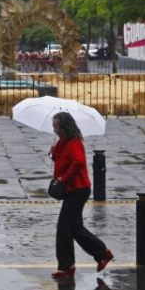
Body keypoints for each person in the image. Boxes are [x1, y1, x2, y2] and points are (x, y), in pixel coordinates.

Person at [49, 112, 113, 280]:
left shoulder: (74, 143)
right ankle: (101, 254)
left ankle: (67, 266)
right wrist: (53, 154)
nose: (54, 129)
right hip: (72, 189)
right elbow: (61, 160)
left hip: (78, 189)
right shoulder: (62, 143)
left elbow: (78, 162)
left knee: (64, 228)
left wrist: (64, 178)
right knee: (74, 228)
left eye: (56, 126)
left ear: (64, 127)